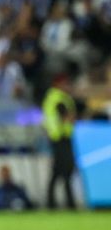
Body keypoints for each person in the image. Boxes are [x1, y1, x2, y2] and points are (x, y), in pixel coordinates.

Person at [42, 73, 78, 209]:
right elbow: (66, 117)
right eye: (65, 83)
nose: (67, 86)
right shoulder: (59, 98)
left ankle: (52, 203)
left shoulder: (52, 98)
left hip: (57, 138)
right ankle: (69, 203)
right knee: (66, 171)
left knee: (58, 172)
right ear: (57, 84)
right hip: (61, 138)